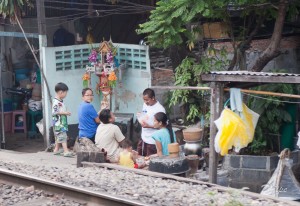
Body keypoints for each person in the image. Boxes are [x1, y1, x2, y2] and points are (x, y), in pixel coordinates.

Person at [137, 88, 166, 156]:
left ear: (153, 98)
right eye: (144, 100)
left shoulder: (160, 109)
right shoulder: (145, 104)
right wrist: (140, 116)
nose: (145, 102)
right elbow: (145, 114)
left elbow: (163, 126)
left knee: (150, 161)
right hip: (143, 137)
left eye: (147, 100)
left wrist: (149, 126)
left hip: (153, 140)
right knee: (141, 158)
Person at [52, 82, 73, 157]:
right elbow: (54, 112)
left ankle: (56, 149)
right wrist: (65, 113)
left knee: (59, 136)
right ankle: (66, 151)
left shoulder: (59, 101)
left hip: (61, 122)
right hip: (59, 123)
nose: (66, 95)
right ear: (61, 92)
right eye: (66, 93)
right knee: (63, 136)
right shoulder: (56, 102)